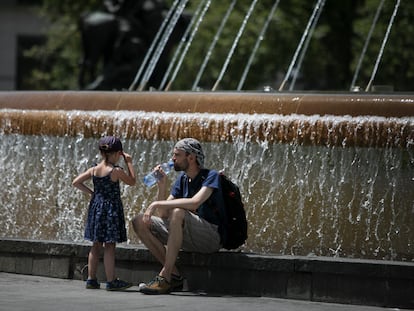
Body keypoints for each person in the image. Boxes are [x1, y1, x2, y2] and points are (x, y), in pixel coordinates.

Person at [132, 137, 226, 295]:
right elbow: (163, 215)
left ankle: (164, 277)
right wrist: (162, 186)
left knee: (178, 211)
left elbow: (195, 202)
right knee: (139, 221)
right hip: (189, 235)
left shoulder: (211, 176)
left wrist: (155, 204)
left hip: (211, 237)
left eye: (177, 155)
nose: (172, 159)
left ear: (191, 157)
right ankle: (174, 275)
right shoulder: (182, 179)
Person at [72, 136, 136, 291]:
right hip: (111, 210)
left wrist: (92, 193)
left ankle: (91, 279)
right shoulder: (116, 171)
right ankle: (111, 280)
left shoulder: (93, 169)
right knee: (109, 245)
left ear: (101, 153)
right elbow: (133, 181)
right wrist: (129, 162)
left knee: (95, 245)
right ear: (116, 154)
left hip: (96, 208)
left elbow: (76, 182)